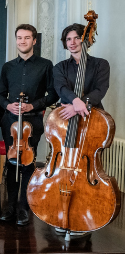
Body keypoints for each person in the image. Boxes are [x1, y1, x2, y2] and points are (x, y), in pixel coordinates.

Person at [52, 23, 110, 237]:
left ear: (86, 40)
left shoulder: (101, 64)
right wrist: (76, 101)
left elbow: (100, 90)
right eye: (68, 39)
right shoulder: (59, 67)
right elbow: (61, 88)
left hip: (92, 119)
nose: (73, 42)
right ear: (65, 43)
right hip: (67, 117)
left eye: (77, 38)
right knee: (63, 163)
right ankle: (58, 211)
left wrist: (81, 105)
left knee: (88, 167)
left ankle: (84, 216)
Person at [0, 25, 58, 226]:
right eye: (19, 38)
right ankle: (9, 205)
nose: (22, 41)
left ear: (34, 41)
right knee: (12, 161)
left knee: (27, 163)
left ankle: (24, 207)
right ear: (16, 40)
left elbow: (52, 94)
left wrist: (33, 104)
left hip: (32, 120)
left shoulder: (46, 65)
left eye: (27, 38)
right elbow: (0, 95)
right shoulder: (7, 67)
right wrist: (8, 105)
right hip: (10, 120)